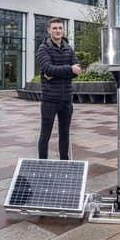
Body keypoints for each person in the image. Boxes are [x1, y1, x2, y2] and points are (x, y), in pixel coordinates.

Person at [37, 17, 81, 160]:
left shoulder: (68, 48)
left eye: (60, 28)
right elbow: (47, 68)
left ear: (63, 30)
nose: (57, 31)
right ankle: (42, 164)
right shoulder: (43, 48)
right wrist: (69, 69)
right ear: (49, 30)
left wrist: (56, 73)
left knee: (65, 134)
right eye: (54, 28)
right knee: (45, 135)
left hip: (66, 99)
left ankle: (65, 163)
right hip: (50, 99)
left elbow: (78, 70)